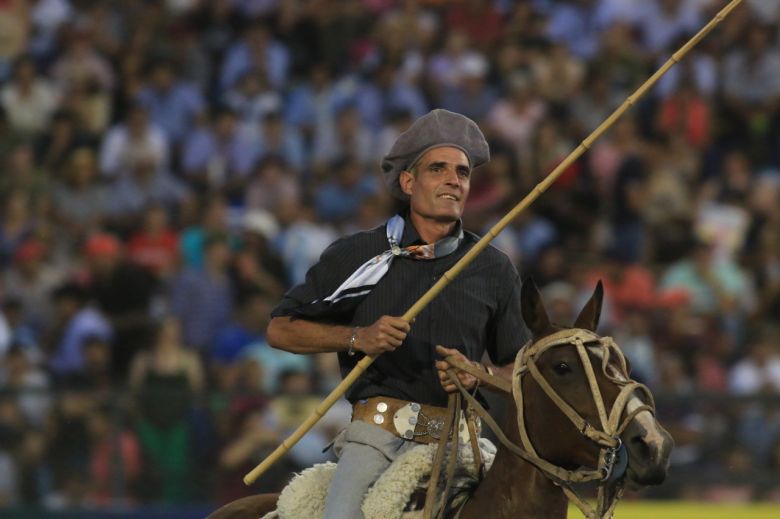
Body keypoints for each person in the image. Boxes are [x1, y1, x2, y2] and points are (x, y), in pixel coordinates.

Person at [266, 109, 527, 518]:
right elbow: (281, 329)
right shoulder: (359, 255)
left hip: (463, 442)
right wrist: (357, 338)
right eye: (438, 169)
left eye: (461, 172)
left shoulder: (493, 267)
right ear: (408, 182)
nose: (453, 180)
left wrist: (480, 374)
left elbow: (521, 370)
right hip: (376, 440)